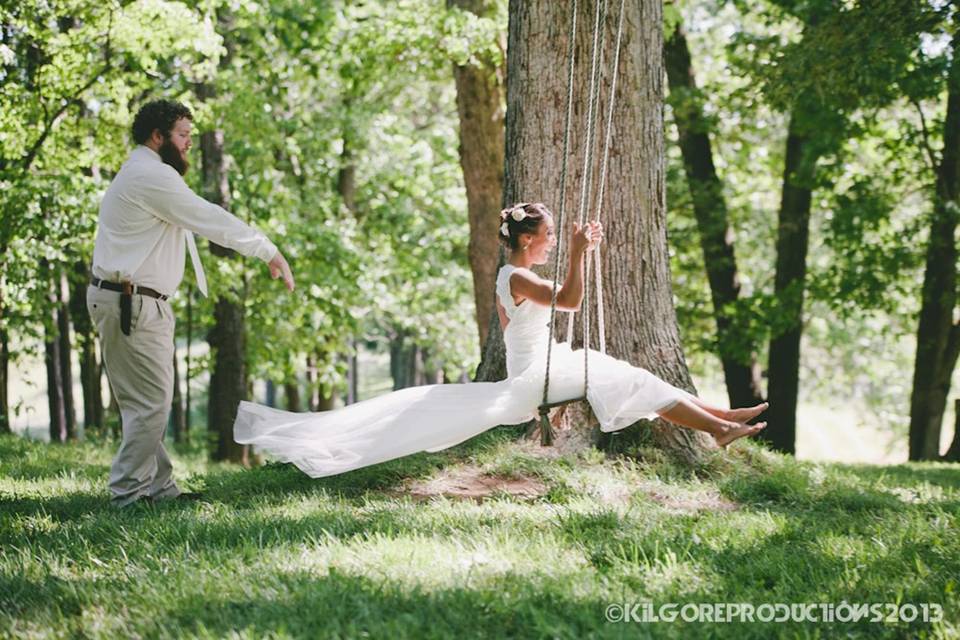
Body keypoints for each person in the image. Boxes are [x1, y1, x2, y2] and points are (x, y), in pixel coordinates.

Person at [233, 202, 766, 478]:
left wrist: (548, 383)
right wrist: (581, 253)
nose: (554, 242)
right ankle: (717, 428)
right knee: (629, 379)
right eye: (551, 236)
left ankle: (722, 417)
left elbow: (519, 334)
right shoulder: (517, 277)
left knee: (636, 377)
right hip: (536, 376)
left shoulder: (507, 278)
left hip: (542, 367)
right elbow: (573, 302)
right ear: (529, 240)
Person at [88, 99, 295, 507]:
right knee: (150, 405)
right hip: (132, 304)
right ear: (157, 136)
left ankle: (160, 490)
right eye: (182, 135)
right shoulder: (150, 176)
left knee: (147, 402)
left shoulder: (143, 172)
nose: (188, 144)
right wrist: (267, 249)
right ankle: (127, 497)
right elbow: (209, 217)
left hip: (132, 301)